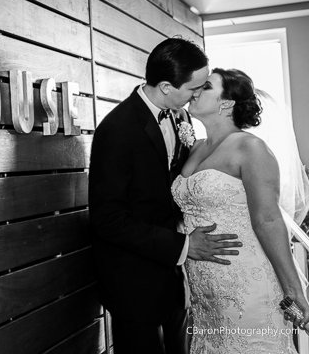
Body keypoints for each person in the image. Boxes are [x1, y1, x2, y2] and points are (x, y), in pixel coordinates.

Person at [89, 38, 242, 354]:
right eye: (194, 88)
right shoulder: (116, 129)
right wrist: (184, 246)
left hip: (175, 278)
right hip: (133, 281)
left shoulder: (182, 116)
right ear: (166, 87)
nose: (198, 95)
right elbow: (108, 220)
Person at [172, 68, 309, 353]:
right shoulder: (195, 147)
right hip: (205, 290)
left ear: (226, 103)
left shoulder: (251, 148)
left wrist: (292, 287)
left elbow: (268, 219)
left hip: (246, 282)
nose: (195, 90)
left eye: (206, 87)